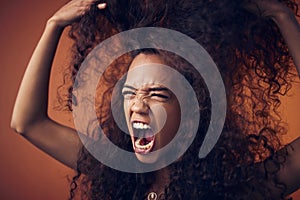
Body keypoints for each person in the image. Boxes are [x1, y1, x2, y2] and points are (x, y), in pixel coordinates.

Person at [11, 0, 300, 199]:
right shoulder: (112, 168)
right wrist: (53, 26)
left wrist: (281, 16)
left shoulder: (239, 191)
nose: (137, 105)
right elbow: (27, 122)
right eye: (129, 93)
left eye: (157, 94)